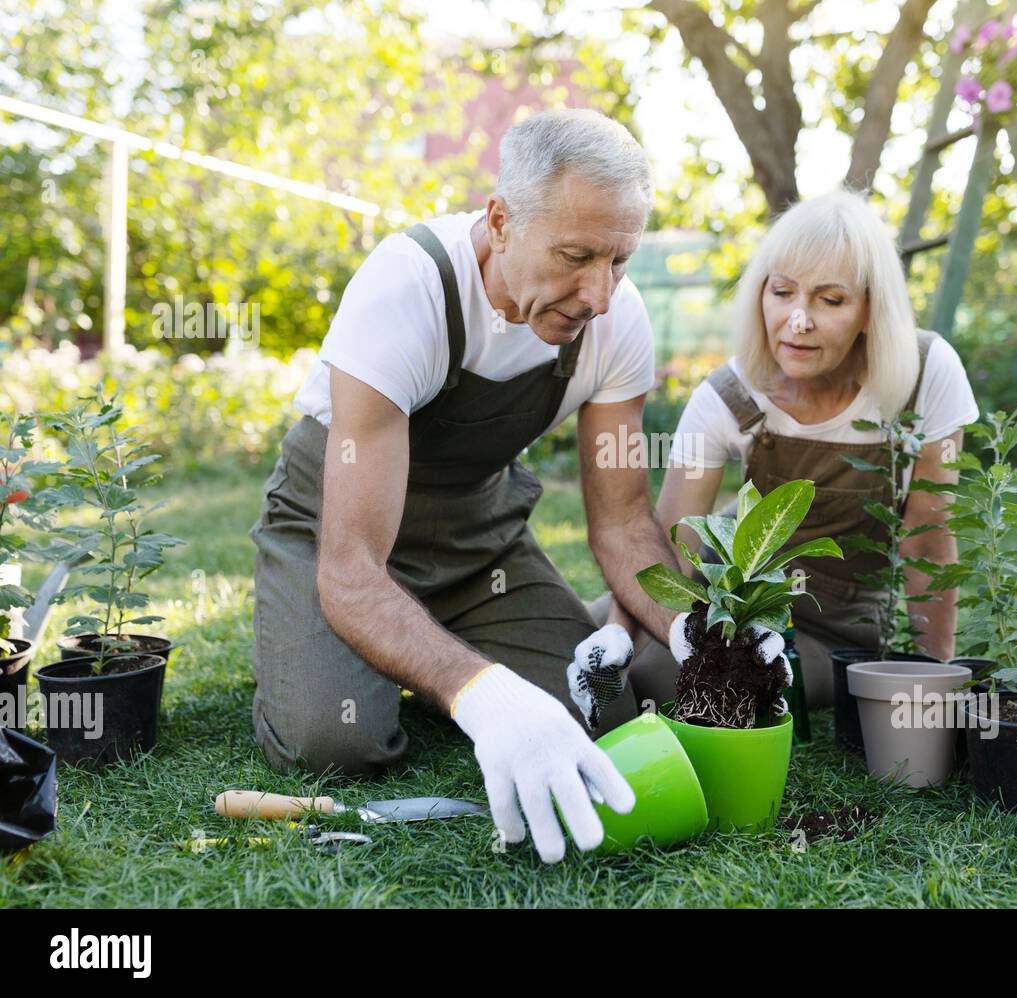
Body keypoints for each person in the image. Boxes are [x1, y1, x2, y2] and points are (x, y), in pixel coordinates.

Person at [249, 109, 787, 864]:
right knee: (335, 739)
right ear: (500, 222)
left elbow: (626, 524)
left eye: (619, 261)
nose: (599, 292)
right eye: (575, 255)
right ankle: (360, 654)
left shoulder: (615, 321)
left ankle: (459, 646)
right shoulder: (408, 289)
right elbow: (351, 571)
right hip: (337, 536)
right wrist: (485, 695)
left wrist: (701, 632)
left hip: (480, 543)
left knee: (598, 710)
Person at [592, 188, 979, 709]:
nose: (799, 320)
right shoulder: (731, 394)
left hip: (835, 629)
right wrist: (619, 638)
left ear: (869, 310)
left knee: (671, 684)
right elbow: (672, 546)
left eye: (831, 300)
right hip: (721, 596)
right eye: (782, 293)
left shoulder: (924, 374)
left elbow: (927, 539)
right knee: (574, 630)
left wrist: (933, 685)